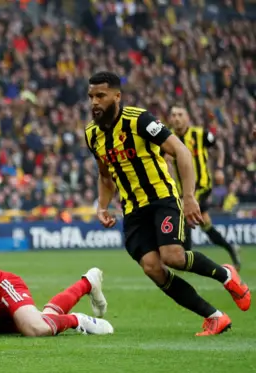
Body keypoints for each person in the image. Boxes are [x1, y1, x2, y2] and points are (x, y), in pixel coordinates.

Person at [84, 71, 250, 336]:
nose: (94, 102)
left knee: (173, 256)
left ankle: (226, 275)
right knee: (152, 267)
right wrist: (102, 207)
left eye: (100, 96)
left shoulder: (140, 120)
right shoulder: (92, 135)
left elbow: (181, 151)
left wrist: (189, 196)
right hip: (132, 209)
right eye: (91, 96)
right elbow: (105, 176)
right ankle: (214, 316)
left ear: (117, 96)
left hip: (162, 198)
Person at [168, 105, 241, 269]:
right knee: (205, 225)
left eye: (180, 114)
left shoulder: (200, 134)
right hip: (182, 189)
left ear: (187, 117)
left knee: (184, 212)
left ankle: (185, 258)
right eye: (173, 115)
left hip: (201, 186)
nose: (177, 118)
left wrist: (220, 168)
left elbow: (219, 146)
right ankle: (231, 248)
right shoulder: (168, 137)